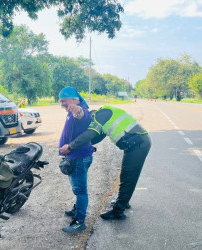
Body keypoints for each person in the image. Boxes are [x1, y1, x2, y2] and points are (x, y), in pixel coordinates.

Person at [60, 105, 151, 220]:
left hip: (138, 144)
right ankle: (124, 201)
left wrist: (71, 146)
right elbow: (94, 138)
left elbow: (91, 133)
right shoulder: (104, 118)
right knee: (126, 176)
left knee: (128, 176)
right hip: (135, 143)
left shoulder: (101, 114)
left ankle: (118, 211)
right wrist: (82, 147)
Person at [58, 86, 94, 233]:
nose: (62, 104)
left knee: (80, 191)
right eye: (60, 102)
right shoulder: (71, 110)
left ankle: (79, 221)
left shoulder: (81, 110)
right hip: (76, 157)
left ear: (74, 99)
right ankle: (76, 210)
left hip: (79, 158)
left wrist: (77, 110)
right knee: (77, 188)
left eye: (64, 101)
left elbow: (82, 116)